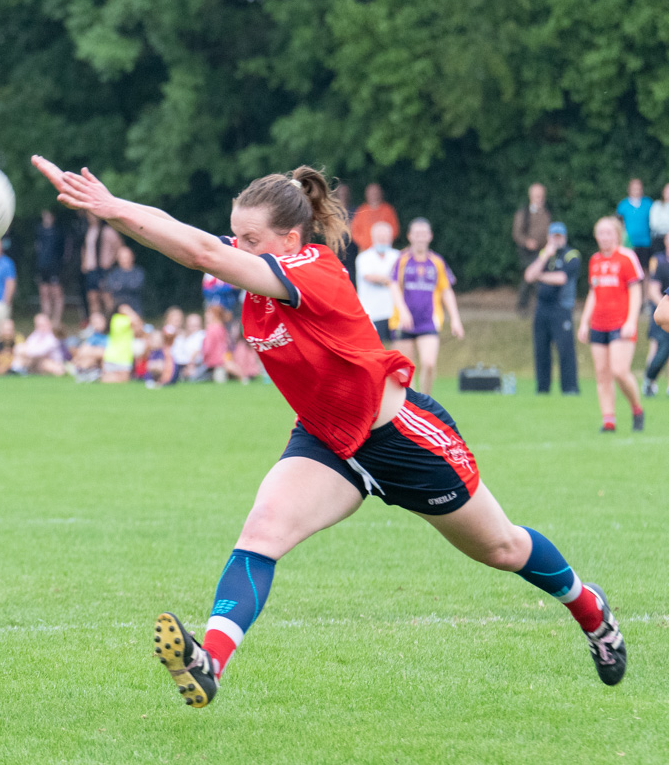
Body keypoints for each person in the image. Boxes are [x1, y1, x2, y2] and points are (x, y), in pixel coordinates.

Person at [32, 155, 627, 709]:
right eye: (235, 235)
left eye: (251, 240)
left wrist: (114, 212)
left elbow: (202, 255)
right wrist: (113, 205)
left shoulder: (311, 267)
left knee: (503, 548)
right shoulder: (258, 264)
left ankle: (591, 610)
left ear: (290, 240)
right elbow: (183, 236)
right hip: (326, 442)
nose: (237, 246)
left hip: (401, 438)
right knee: (262, 531)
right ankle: (209, 662)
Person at [578, 216, 644, 432]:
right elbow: (593, 293)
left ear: (617, 235)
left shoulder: (626, 258)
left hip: (620, 324)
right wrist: (584, 323)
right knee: (602, 373)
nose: (604, 237)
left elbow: (635, 292)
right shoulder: (595, 260)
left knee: (619, 371)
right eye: (600, 233)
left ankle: (636, 409)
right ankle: (609, 420)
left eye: (609, 233)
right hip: (598, 323)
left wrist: (631, 321)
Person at [389, 218, 464, 395]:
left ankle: (425, 400)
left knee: (429, 364)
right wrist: (403, 311)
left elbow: (446, 290)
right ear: (409, 236)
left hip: (428, 320)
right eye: (416, 234)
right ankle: (412, 405)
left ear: (430, 236)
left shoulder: (437, 262)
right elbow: (393, 286)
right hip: (403, 322)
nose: (420, 238)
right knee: (405, 371)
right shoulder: (402, 259)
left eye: (424, 234)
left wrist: (455, 319)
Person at [523, 222, 581, 395]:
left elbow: (561, 278)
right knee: (541, 350)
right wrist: (544, 257)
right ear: (548, 238)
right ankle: (542, 389)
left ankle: (570, 389)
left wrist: (539, 276)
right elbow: (528, 276)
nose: (556, 240)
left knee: (565, 350)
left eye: (559, 236)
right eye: (553, 236)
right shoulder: (544, 255)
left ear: (564, 237)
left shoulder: (571, 255)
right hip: (542, 308)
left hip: (561, 308)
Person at [355, 221, 400, 344]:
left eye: (385, 237)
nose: (383, 240)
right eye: (380, 237)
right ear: (373, 237)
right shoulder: (364, 257)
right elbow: (369, 277)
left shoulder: (397, 256)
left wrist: (385, 279)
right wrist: (392, 280)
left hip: (395, 313)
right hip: (372, 313)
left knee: (398, 350)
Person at [513, 182, 553, 313]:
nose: (540, 199)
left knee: (533, 276)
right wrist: (527, 242)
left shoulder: (546, 214)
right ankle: (524, 305)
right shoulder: (523, 214)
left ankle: (528, 305)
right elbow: (517, 233)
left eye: (541, 196)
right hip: (527, 251)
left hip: (541, 251)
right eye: (537, 196)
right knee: (530, 276)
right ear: (531, 196)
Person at [642, 233, 669, 395]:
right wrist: (666, 307)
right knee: (657, 348)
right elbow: (652, 290)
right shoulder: (658, 261)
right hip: (661, 309)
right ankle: (649, 381)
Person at [80, 212, 121, 318]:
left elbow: (119, 246)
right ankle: (95, 323)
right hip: (91, 268)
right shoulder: (89, 230)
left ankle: (109, 322)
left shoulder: (108, 231)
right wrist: (84, 262)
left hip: (104, 269)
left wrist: (111, 260)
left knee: (106, 297)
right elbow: (85, 248)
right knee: (92, 298)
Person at [34, 209, 66, 328]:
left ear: (53, 217)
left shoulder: (58, 232)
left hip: (55, 267)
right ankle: (46, 320)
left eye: (49, 215)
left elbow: (63, 251)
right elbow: (37, 247)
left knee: (56, 294)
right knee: (44, 294)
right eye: (45, 215)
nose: (47, 218)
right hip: (42, 267)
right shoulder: (39, 230)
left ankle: (56, 321)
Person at [349, 182, 399, 253]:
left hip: (385, 250)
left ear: (381, 193)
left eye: (376, 192)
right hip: (365, 250)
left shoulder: (388, 210)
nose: (373, 195)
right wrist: (364, 243)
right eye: (371, 192)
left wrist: (383, 242)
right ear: (366, 194)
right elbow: (354, 231)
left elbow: (395, 230)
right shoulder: (361, 210)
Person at [616, 178, 653, 272]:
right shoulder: (623, 205)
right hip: (629, 243)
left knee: (645, 269)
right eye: (634, 188)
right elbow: (617, 223)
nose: (636, 190)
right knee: (630, 269)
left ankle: (645, 287)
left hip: (645, 242)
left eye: (638, 188)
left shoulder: (648, 203)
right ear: (629, 189)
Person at [103, 245, 145, 316]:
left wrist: (119, 286)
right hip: (117, 311)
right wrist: (128, 284)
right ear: (117, 259)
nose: (125, 260)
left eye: (126, 257)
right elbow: (110, 286)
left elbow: (137, 286)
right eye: (122, 257)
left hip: (135, 309)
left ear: (132, 257)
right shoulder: (113, 274)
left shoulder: (138, 272)